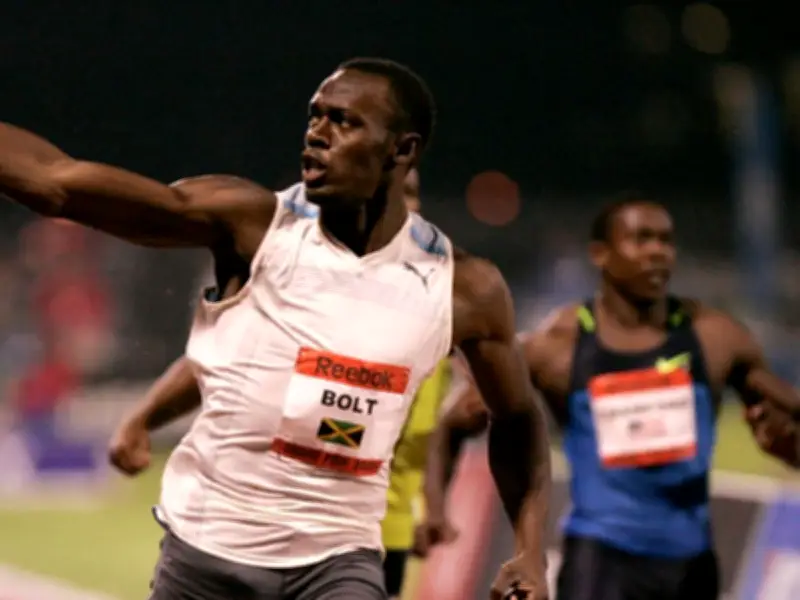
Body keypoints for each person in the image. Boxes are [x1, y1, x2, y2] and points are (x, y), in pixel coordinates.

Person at [0, 57, 551, 600]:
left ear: (402, 150)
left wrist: (528, 549)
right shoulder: (253, 225)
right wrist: (145, 418)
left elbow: (517, 416)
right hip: (207, 554)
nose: (317, 133)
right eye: (315, 116)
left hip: (339, 561)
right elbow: (58, 184)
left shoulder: (461, 288)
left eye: (344, 121)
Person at [420, 196, 800, 600]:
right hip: (601, 561)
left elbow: (787, 414)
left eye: (665, 241)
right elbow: (456, 420)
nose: (657, 251)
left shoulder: (715, 338)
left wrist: (791, 452)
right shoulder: (559, 346)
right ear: (601, 253)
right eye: (641, 239)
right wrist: (435, 508)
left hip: (692, 563)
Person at [109, 168, 456, 600]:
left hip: (373, 532)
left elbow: (437, 422)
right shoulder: (309, 282)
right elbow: (226, 363)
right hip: (270, 527)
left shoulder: (434, 297)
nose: (407, 205)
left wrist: (431, 504)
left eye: (412, 194)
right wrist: (144, 418)